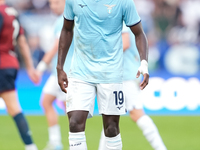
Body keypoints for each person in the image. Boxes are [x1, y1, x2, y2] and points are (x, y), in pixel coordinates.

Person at [57, 0, 149, 149]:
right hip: (80, 72)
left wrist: (144, 62)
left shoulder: (124, 2)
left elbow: (139, 33)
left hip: (111, 73)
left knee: (111, 128)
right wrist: (59, 66)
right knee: (74, 123)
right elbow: (66, 30)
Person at [98, 24, 167, 150]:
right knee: (109, 117)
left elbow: (125, 43)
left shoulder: (119, 20)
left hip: (125, 76)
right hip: (119, 76)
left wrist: (101, 54)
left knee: (136, 114)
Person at [0, 1, 40, 150]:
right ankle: (31, 146)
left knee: (14, 108)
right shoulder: (13, 12)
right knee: (14, 109)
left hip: (1, 63)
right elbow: (22, 42)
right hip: (10, 64)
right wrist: (30, 67)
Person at [36, 0, 74, 149]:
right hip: (57, 72)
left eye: (57, 2)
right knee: (46, 101)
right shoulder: (62, 20)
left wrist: (41, 66)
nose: (53, 6)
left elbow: (57, 46)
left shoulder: (64, 20)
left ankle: (75, 143)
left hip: (65, 72)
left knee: (69, 109)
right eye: (51, 3)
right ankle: (56, 142)